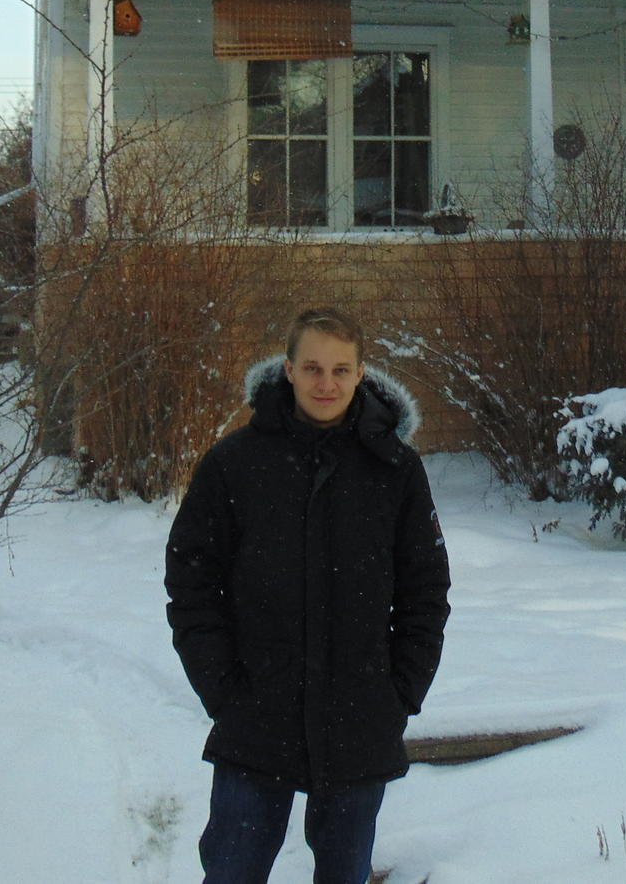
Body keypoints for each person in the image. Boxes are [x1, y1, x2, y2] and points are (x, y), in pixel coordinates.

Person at [165, 306, 451, 884]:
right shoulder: (235, 464)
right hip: (256, 715)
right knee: (232, 871)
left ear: (361, 373)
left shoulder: (395, 470)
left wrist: (398, 693)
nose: (327, 384)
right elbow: (192, 581)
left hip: (359, 721)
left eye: (341, 370)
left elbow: (426, 591)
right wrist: (223, 688)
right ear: (289, 370)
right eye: (314, 368)